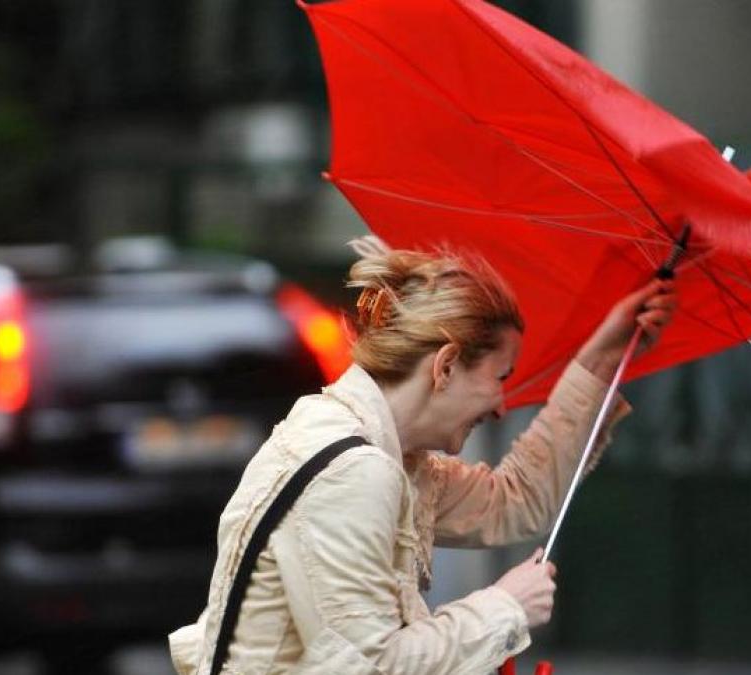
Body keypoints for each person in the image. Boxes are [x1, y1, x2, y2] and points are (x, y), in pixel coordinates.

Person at [169, 237, 676, 674]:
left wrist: (603, 357)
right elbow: (370, 665)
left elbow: (515, 500)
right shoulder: (353, 470)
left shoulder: (390, 456)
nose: (502, 406)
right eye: (499, 378)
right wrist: (506, 608)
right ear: (447, 365)